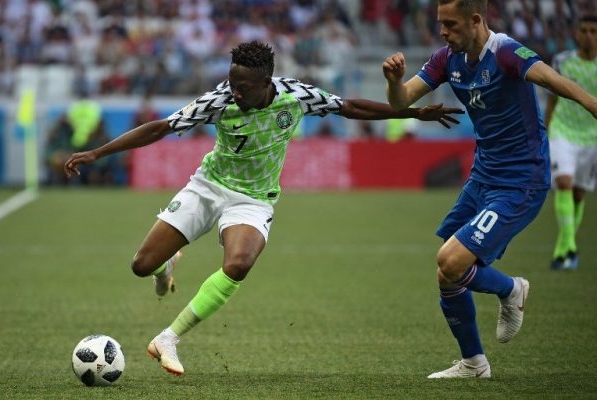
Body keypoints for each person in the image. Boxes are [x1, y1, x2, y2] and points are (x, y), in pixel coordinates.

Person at [63, 41, 464, 376]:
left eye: (242, 87)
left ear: (266, 82)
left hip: (253, 199)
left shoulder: (295, 96)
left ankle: (169, 338)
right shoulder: (219, 100)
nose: (234, 92)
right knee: (141, 265)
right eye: (232, 82)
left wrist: (412, 112)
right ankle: (165, 267)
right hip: (207, 187)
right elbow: (161, 128)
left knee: (238, 264)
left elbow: (350, 107)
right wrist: (97, 153)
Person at [382, 0, 597, 379]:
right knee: (447, 271)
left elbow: (551, 79)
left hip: (521, 181)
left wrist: (592, 103)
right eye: (440, 23)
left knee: (452, 262)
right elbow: (401, 102)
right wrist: (394, 82)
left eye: (451, 24)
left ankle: (511, 289)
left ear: (476, 20)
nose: (443, 32)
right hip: (483, 177)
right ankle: (474, 363)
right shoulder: (446, 59)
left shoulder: (507, 52)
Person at [544, 16, 597, 270]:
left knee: (578, 193)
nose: (588, 35)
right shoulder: (562, 61)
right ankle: (571, 248)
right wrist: (545, 131)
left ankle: (562, 249)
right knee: (564, 183)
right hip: (562, 131)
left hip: (591, 137)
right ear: (576, 34)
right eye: (584, 30)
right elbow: (552, 100)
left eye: (593, 31)